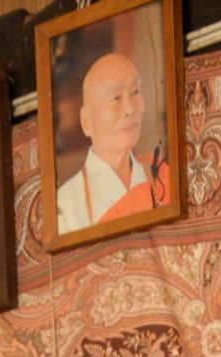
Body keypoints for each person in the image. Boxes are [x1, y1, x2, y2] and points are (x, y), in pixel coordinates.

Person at [55, 48, 169, 234]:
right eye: (116, 98)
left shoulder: (161, 176)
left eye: (135, 92)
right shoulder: (64, 206)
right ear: (86, 121)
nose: (130, 109)